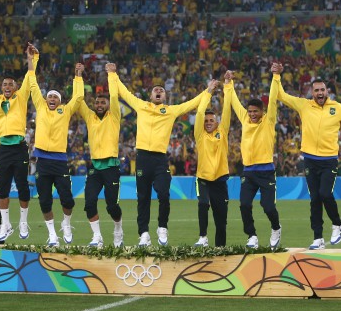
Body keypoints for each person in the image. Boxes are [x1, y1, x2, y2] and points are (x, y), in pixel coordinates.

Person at [113, 66, 211, 246]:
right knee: (143, 198)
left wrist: (208, 91)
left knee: (164, 194)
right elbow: (124, 93)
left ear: (165, 97)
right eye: (155, 90)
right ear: (150, 96)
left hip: (160, 159)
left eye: (162, 90)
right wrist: (112, 74)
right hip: (142, 158)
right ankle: (143, 234)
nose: (158, 91)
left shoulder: (171, 111)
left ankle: (162, 227)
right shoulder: (141, 106)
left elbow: (192, 103)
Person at [277, 76, 341, 249]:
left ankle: (337, 224)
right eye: (316, 90)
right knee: (314, 199)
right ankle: (318, 238)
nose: (320, 93)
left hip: (329, 160)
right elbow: (282, 95)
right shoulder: (304, 105)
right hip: (309, 159)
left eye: (322, 90)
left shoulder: (337, 108)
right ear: (312, 92)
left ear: (327, 91)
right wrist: (277, 76)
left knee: (324, 194)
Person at [0, 43, 37, 242]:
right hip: (3, 149)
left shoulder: (21, 98)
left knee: (22, 187)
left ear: (16, 87)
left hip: (19, 147)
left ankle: (23, 222)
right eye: (4, 85)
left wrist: (31, 59)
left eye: (11, 84)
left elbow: (30, 76)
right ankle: (5, 224)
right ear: (1, 87)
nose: (7, 87)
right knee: (2, 189)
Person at [225, 65, 283, 249]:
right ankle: (252, 236)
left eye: (255, 111)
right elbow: (234, 102)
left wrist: (275, 76)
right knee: (244, 205)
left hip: (266, 171)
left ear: (262, 111)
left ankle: (276, 228)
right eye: (249, 111)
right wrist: (228, 83)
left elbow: (273, 99)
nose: (251, 115)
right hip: (248, 171)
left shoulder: (268, 121)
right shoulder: (245, 119)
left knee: (268, 207)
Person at [27, 60, 84, 246]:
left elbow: (78, 97)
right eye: (50, 96)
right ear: (45, 99)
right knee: (44, 201)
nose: (52, 99)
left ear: (59, 101)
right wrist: (31, 62)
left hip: (60, 161)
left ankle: (66, 225)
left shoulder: (65, 111)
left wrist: (78, 76)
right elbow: (33, 84)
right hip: (42, 161)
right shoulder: (40, 106)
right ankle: (52, 234)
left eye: (55, 97)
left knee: (67, 200)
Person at [75, 63, 124, 247]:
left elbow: (114, 95)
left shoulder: (114, 116)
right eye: (97, 102)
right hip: (95, 167)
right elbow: (79, 101)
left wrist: (112, 74)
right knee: (89, 204)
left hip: (111, 167)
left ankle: (118, 229)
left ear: (108, 105)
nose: (99, 104)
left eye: (103, 102)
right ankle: (97, 237)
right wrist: (78, 75)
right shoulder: (90, 117)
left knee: (112, 206)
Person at [193, 78, 230, 247]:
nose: (208, 123)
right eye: (206, 121)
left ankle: (220, 249)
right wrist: (208, 91)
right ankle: (203, 237)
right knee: (202, 204)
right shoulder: (200, 136)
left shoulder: (222, 132)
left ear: (217, 122)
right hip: (203, 179)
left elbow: (227, 110)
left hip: (220, 180)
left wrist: (228, 86)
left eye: (211, 121)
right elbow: (200, 112)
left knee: (221, 220)